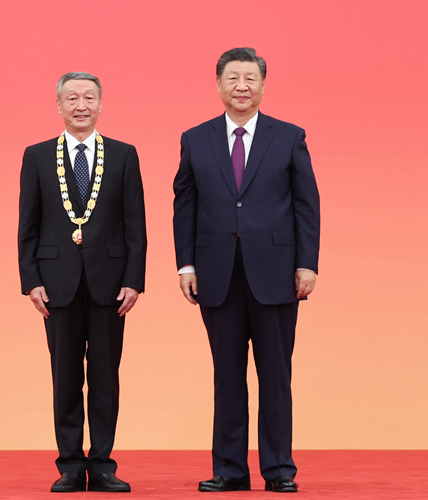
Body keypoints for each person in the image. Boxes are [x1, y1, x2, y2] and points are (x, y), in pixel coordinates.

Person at [173, 48, 320, 493]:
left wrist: (307, 263)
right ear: (218, 85)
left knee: (275, 376)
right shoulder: (195, 138)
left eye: (250, 78)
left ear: (262, 86)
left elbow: (306, 204)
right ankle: (230, 470)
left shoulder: (288, 136)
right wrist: (186, 264)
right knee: (227, 376)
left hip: (276, 274)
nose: (242, 86)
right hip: (216, 274)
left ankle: (279, 470)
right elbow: (185, 205)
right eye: (233, 78)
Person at [19, 72, 146, 493]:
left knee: (106, 377)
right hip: (56, 284)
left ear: (101, 104)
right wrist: (31, 279)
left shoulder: (124, 155)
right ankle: (71, 465)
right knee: (66, 375)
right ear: (58, 105)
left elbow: (135, 224)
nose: (80, 105)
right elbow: (28, 224)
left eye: (89, 97)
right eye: (71, 98)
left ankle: (103, 464)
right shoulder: (37, 156)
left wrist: (134, 279)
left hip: (111, 284)